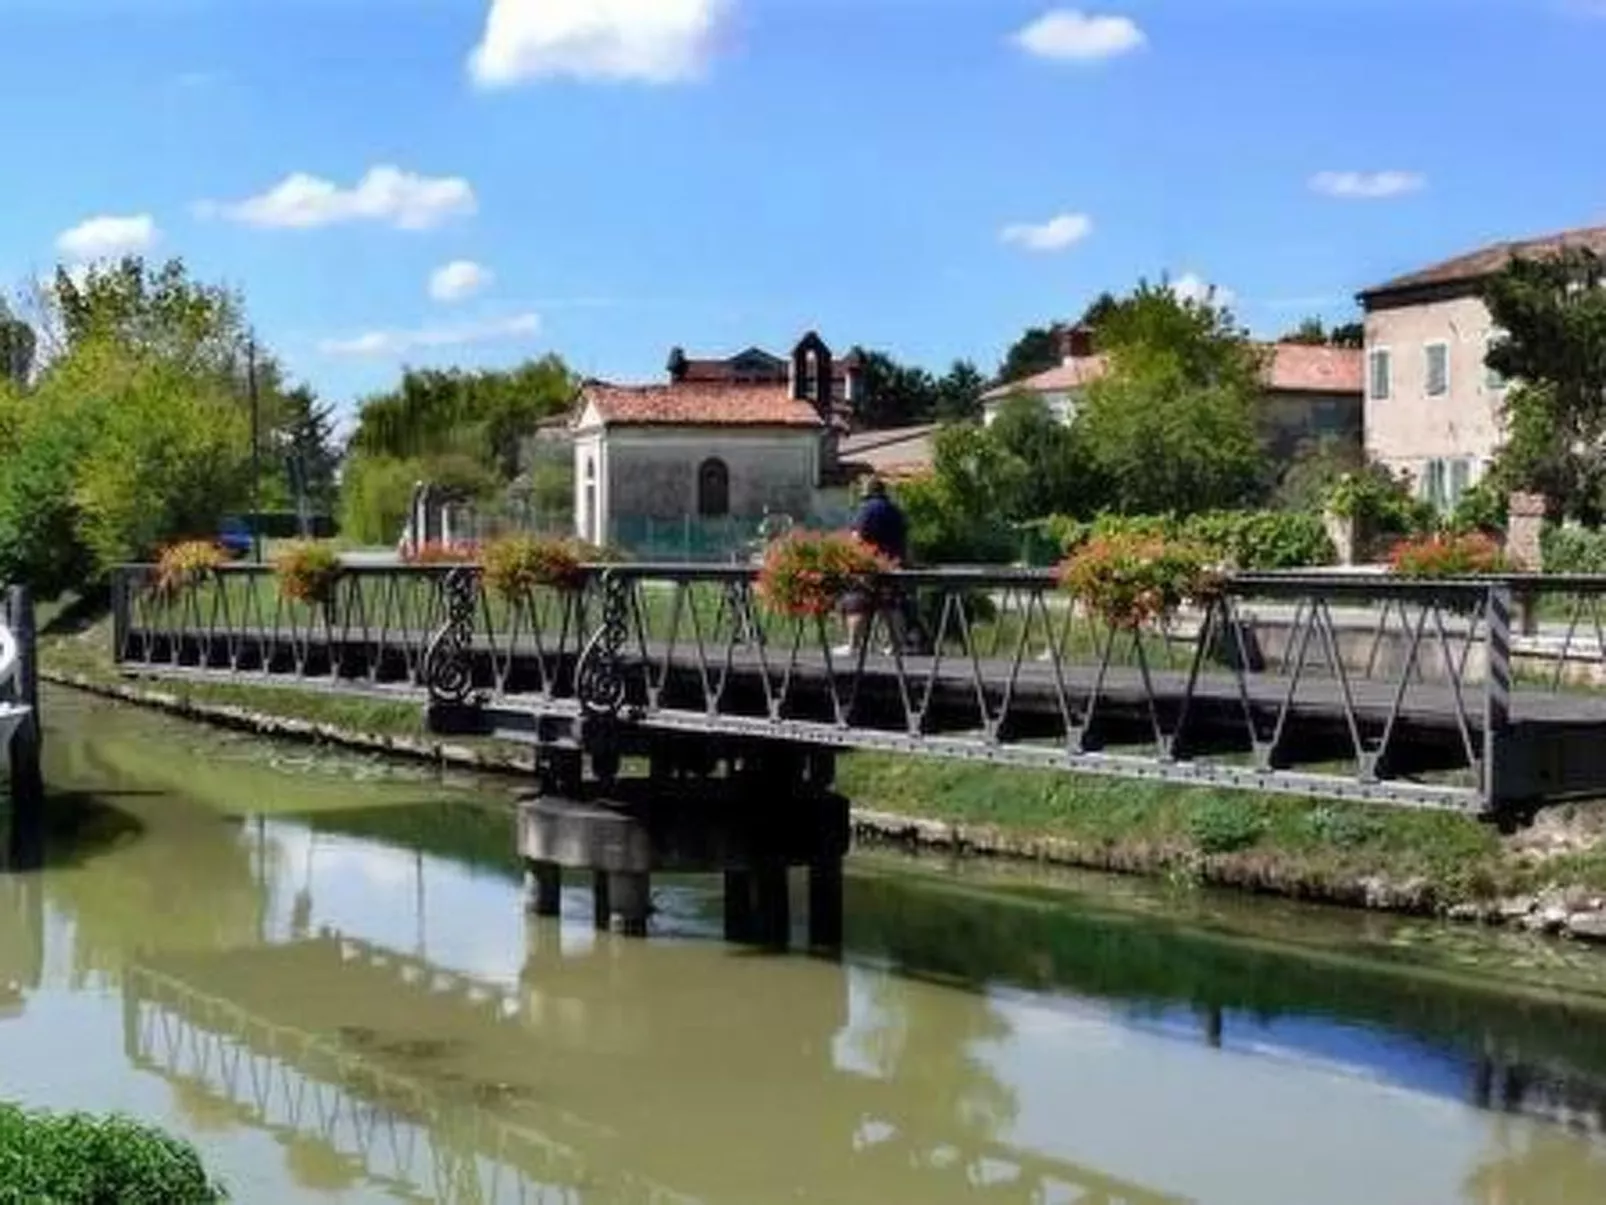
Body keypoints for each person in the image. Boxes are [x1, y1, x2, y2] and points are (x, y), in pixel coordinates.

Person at [837, 478, 911, 657]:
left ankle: (853, 645)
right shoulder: (896, 510)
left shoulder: (867, 509)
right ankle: (896, 646)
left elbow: (857, 537)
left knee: (857, 602)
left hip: (870, 565)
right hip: (894, 564)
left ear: (867, 492)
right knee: (891, 604)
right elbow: (905, 540)